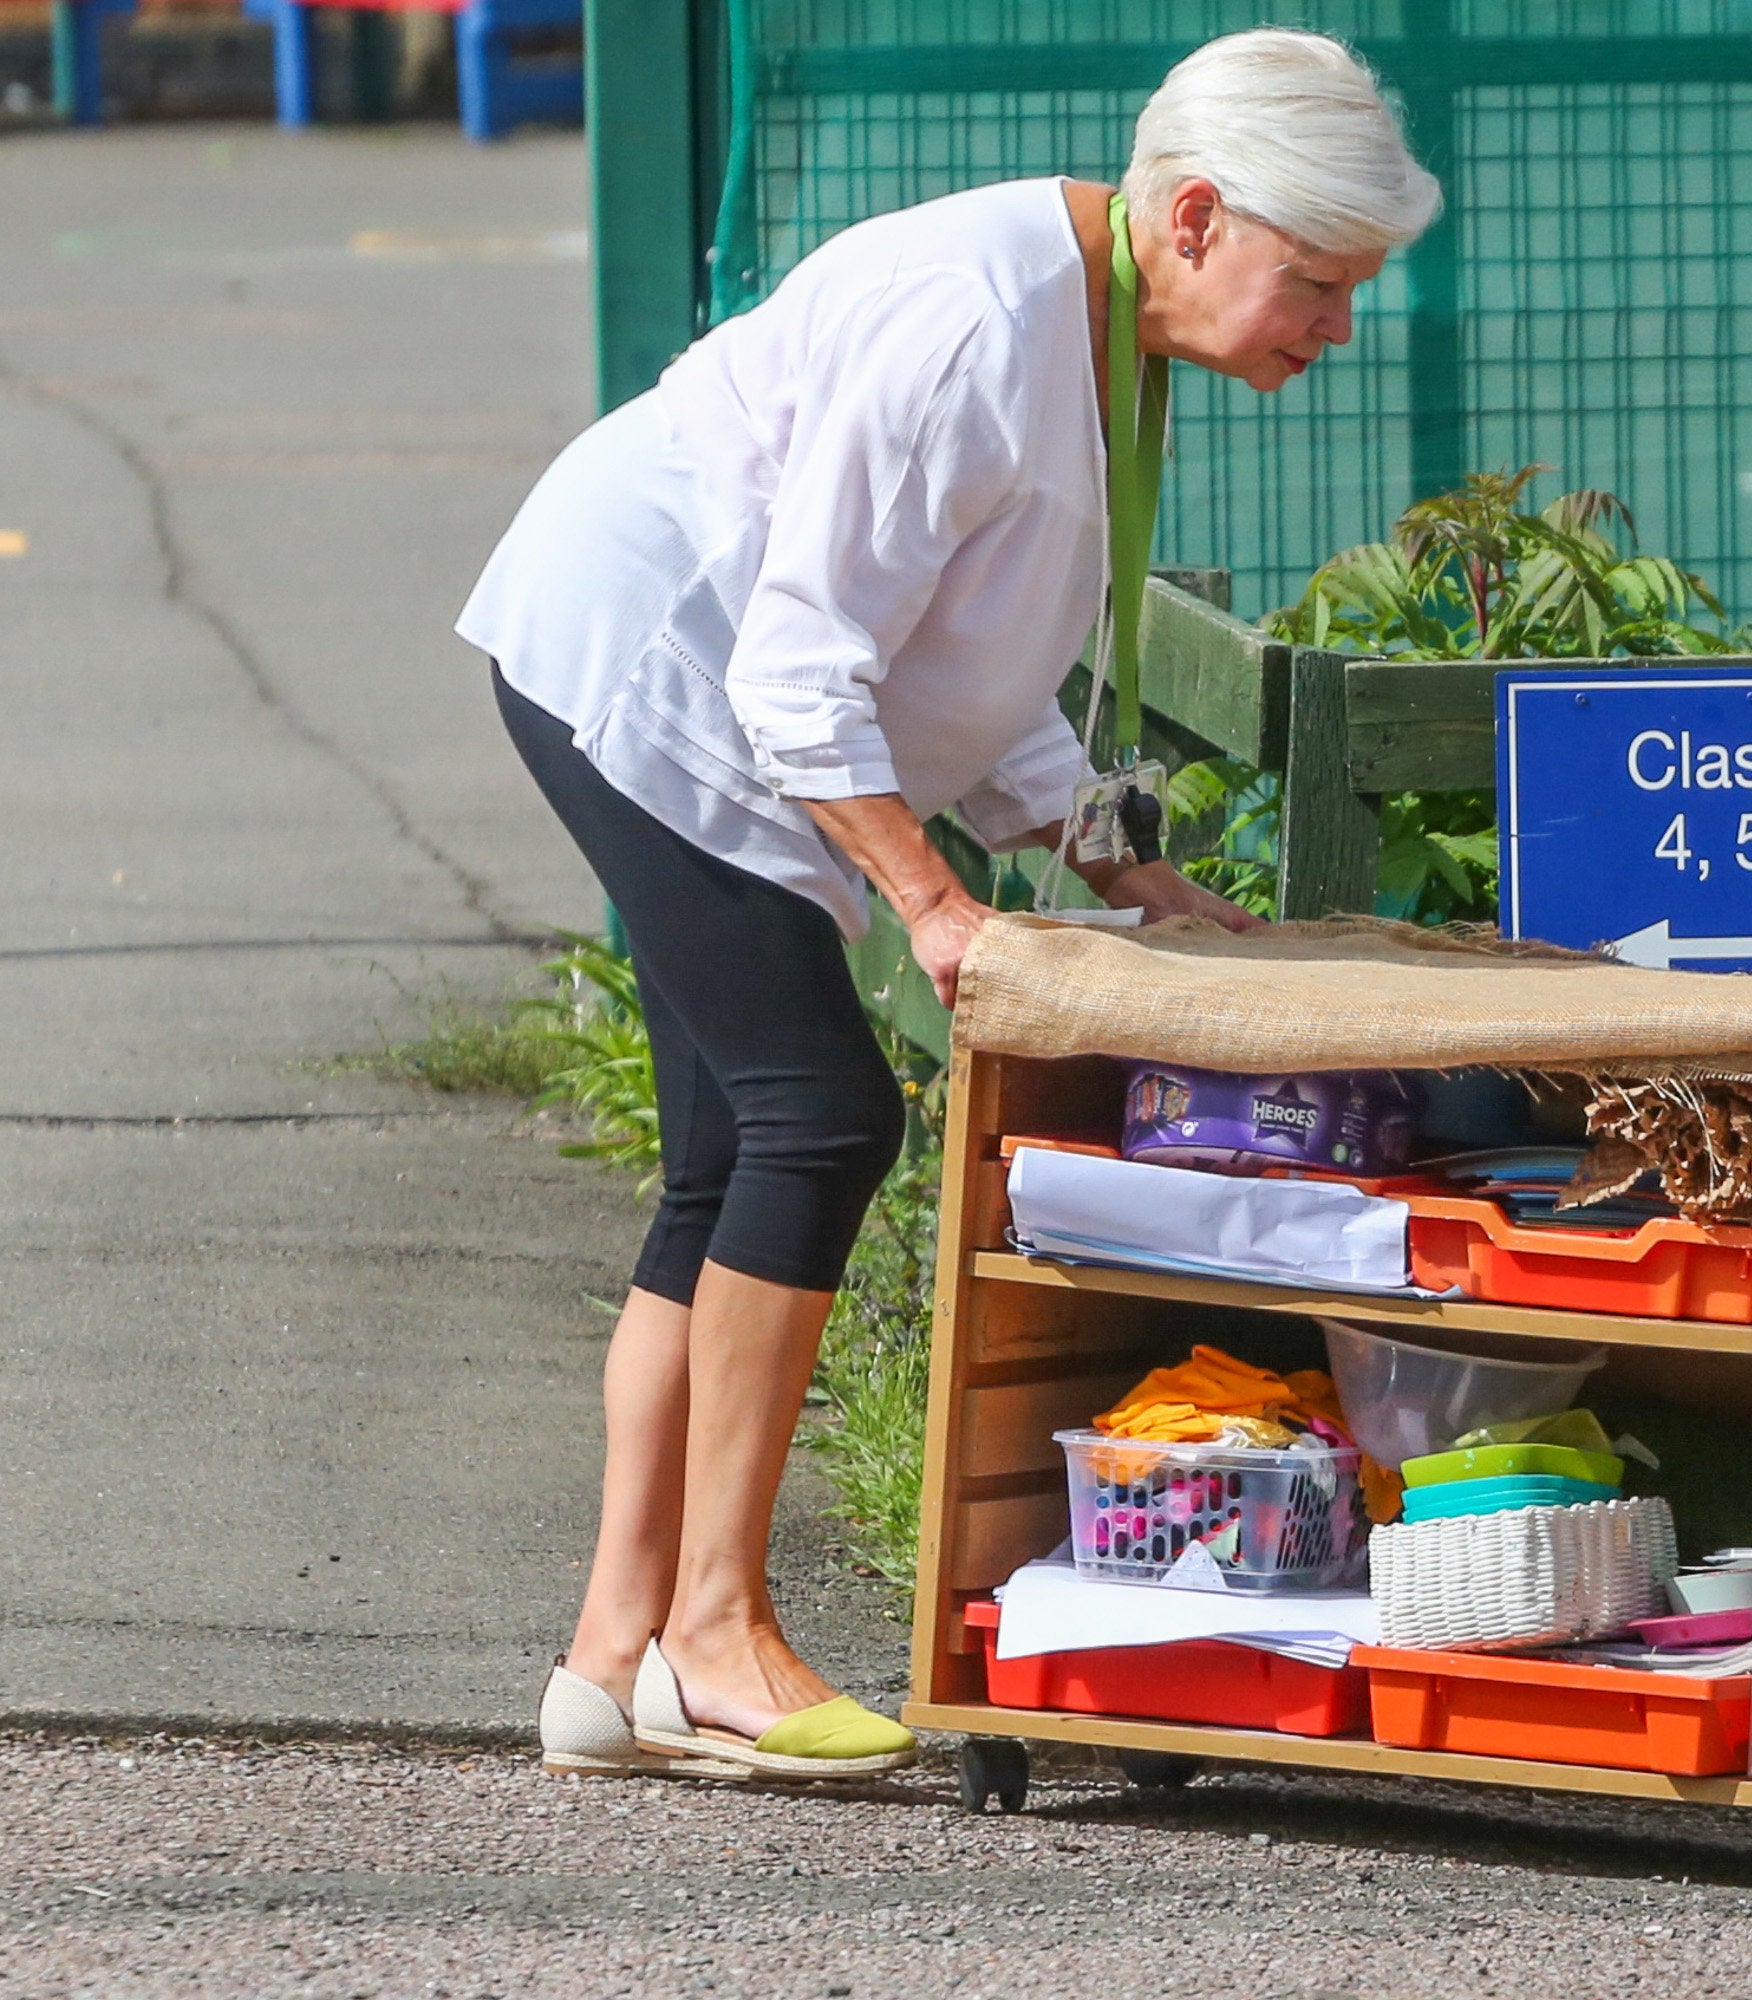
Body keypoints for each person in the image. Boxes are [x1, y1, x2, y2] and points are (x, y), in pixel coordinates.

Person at [459, 28, 1442, 1780]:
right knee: (818, 1119)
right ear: (1199, 216)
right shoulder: (982, 328)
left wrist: (1106, 851)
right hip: (653, 672)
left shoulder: (1102, 311)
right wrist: (932, 903)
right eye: (1318, 282)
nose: (1335, 327)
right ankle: (713, 1634)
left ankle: (612, 1660)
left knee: (728, 1158)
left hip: (733, 696)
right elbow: (803, 666)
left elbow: (971, 650)